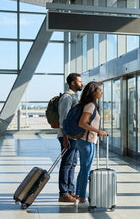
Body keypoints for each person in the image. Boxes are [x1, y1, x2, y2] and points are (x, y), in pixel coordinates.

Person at [75, 81, 107, 208]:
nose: (102, 92)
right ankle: (82, 196)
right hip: (87, 142)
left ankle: (79, 194)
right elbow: (82, 123)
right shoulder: (90, 106)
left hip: (85, 141)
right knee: (86, 169)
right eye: (100, 90)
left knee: (84, 169)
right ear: (94, 92)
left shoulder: (90, 105)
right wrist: (98, 131)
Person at [57, 73, 83, 202]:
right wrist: (66, 138)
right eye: (79, 81)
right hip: (66, 137)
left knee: (72, 163)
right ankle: (63, 193)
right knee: (66, 164)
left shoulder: (74, 97)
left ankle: (70, 190)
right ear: (73, 83)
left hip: (74, 136)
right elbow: (63, 119)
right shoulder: (67, 97)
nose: (81, 84)